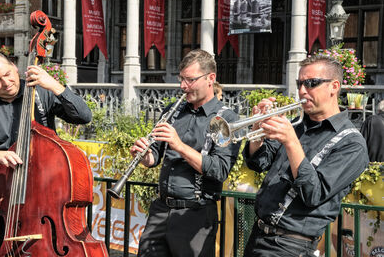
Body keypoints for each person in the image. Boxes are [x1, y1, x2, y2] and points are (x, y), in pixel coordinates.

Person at [0, 50, 92, 257]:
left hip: (43, 197)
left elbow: (84, 117)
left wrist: (56, 86)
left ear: (15, 67)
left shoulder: (41, 93)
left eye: (7, 74)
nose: (5, 83)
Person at [243, 54, 369, 257]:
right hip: (258, 235)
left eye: (311, 83)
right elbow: (259, 163)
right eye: (299, 83)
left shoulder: (352, 144)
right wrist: (257, 132)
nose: (302, 91)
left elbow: (313, 193)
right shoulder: (296, 125)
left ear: (334, 86)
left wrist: (291, 142)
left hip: (290, 246)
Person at [131, 49, 240, 257]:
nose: (183, 86)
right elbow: (155, 155)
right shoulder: (173, 110)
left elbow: (219, 170)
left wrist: (179, 145)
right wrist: (145, 155)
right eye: (181, 79)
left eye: (190, 80)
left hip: (195, 215)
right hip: (160, 211)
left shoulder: (224, 119)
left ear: (211, 79)